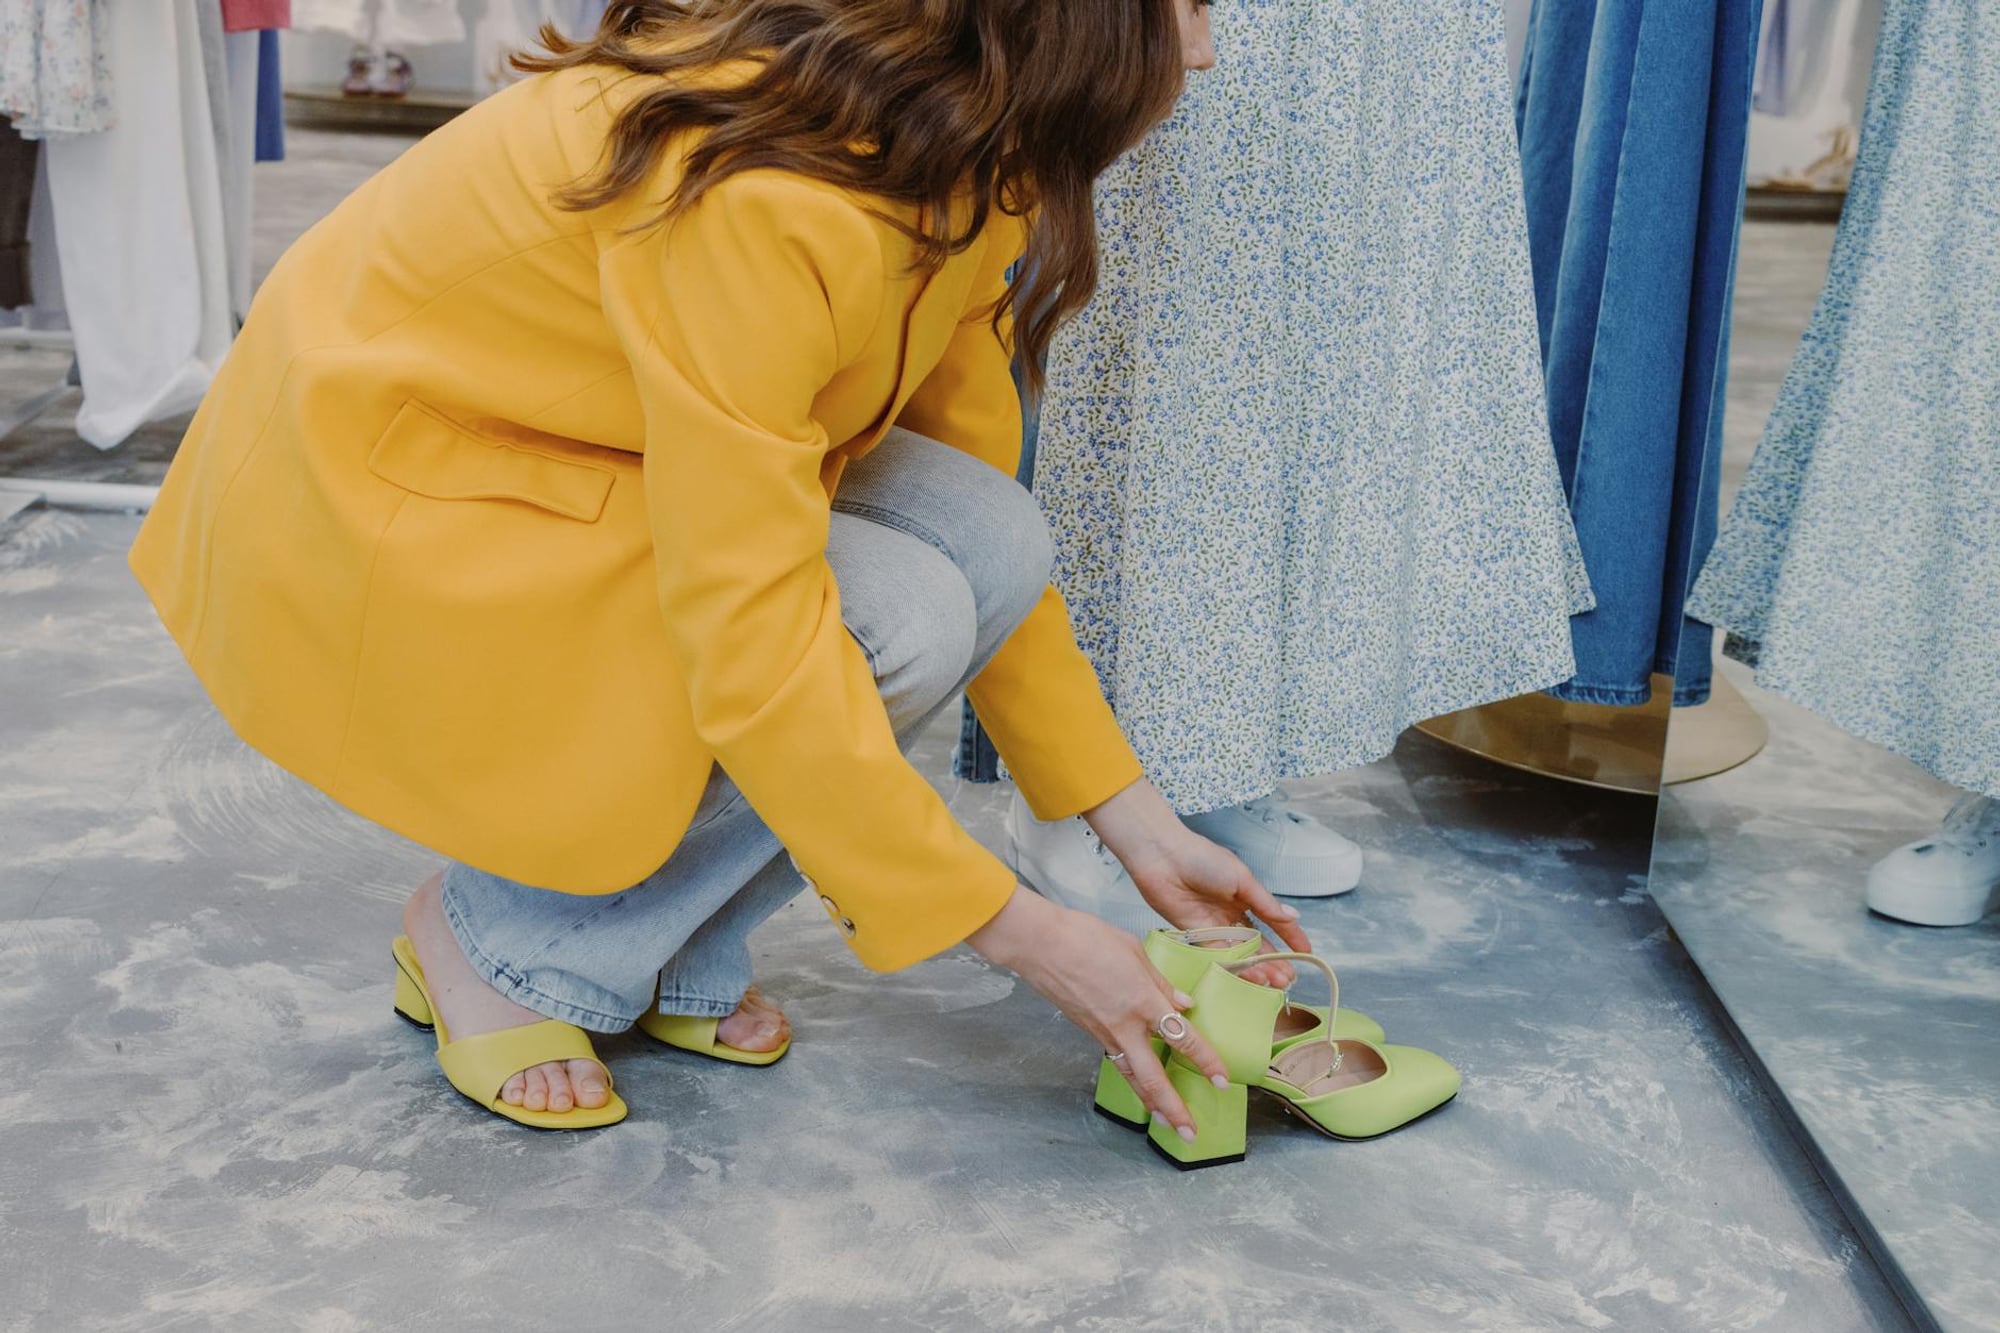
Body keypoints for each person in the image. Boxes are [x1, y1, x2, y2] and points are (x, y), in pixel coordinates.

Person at [128, 0, 1308, 1136]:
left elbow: (977, 511)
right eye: (1190, 5)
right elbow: (754, 632)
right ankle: (497, 943)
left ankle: (662, 935)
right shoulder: (774, 196)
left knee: (985, 534)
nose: (1202, 53)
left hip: (572, 453)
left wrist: (1130, 821)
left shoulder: (954, 153)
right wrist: (1022, 931)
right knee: (880, 619)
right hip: (390, 488)